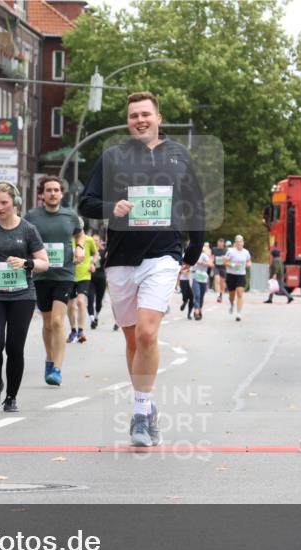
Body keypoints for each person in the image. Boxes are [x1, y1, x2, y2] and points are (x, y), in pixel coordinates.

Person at [78, 91, 205, 447]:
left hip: (163, 254)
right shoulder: (113, 156)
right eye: (134, 115)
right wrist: (111, 207)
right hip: (120, 259)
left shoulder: (179, 156)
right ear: (129, 121)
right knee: (133, 339)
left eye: (146, 114)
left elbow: (195, 203)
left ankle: (139, 409)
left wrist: (194, 248)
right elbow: (85, 203)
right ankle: (147, 408)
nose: (140, 120)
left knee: (148, 334)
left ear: (158, 118)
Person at [0, 182, 49, 411]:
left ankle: (11, 397)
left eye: (4, 202)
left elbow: (44, 263)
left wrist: (26, 263)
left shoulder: (28, 230)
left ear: (14, 202)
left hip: (22, 295)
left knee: (15, 348)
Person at [25, 175, 83, 386]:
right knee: (48, 323)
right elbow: (24, 237)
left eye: (56, 190)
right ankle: (49, 359)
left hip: (64, 274)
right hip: (41, 275)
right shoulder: (32, 216)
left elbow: (80, 234)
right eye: (48, 190)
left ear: (61, 193)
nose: (53, 193)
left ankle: (57, 368)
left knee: (58, 321)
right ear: (42, 194)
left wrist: (80, 247)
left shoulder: (70, 215)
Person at [67, 225, 97, 342]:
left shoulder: (88, 240)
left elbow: (95, 254)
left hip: (84, 275)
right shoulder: (69, 240)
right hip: (70, 276)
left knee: (80, 301)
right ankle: (73, 330)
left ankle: (81, 331)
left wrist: (93, 263)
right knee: (70, 305)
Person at [224, 234, 252, 321]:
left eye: (241, 242)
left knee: (240, 293)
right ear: (235, 243)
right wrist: (233, 265)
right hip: (231, 275)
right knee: (231, 295)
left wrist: (248, 264)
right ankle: (232, 304)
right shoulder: (230, 251)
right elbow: (225, 262)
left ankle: (239, 313)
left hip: (241, 275)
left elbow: (249, 261)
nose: (239, 243)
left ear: (243, 243)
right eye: (238, 242)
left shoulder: (246, 252)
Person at [87, 232, 107, 329]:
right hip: (89, 278)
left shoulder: (103, 252)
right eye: (93, 240)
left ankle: (96, 316)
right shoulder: (88, 252)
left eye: (96, 241)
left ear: (100, 242)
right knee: (90, 299)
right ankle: (91, 319)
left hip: (101, 279)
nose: (94, 242)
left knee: (98, 301)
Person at [191, 241, 214, 320]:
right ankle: (196, 312)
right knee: (197, 295)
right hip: (195, 276)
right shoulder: (193, 255)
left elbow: (211, 264)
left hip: (203, 277)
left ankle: (200, 310)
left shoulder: (204, 256)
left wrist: (202, 263)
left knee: (201, 296)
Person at [211, 237, 227, 302]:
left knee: (222, 283)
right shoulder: (214, 249)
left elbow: (228, 259)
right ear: (218, 243)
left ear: (223, 244)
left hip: (223, 267)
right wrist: (211, 261)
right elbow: (211, 257)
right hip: (216, 266)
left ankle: (221, 295)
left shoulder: (226, 250)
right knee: (217, 279)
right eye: (219, 243)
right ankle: (218, 295)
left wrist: (225, 259)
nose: (220, 244)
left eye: (221, 243)